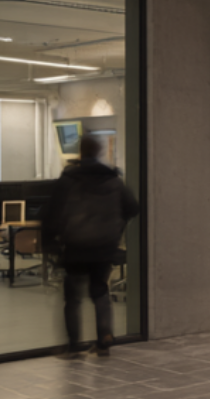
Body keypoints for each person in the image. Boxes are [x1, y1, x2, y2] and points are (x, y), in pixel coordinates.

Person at [43, 135, 141, 357]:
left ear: (80, 152)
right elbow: (132, 207)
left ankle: (73, 344)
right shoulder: (113, 179)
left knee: (73, 298)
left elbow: (52, 214)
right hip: (104, 246)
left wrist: (50, 241)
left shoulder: (68, 179)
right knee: (100, 291)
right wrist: (115, 226)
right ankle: (104, 338)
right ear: (98, 152)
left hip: (76, 246)